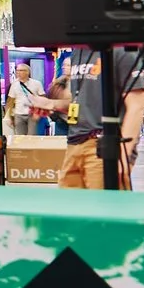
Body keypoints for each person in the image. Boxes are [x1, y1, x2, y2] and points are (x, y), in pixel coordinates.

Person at [38, 50, 110, 187]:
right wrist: (51, 104)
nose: (65, 68)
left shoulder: (85, 79)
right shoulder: (58, 83)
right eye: (64, 65)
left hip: (88, 130)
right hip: (65, 124)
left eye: (68, 65)